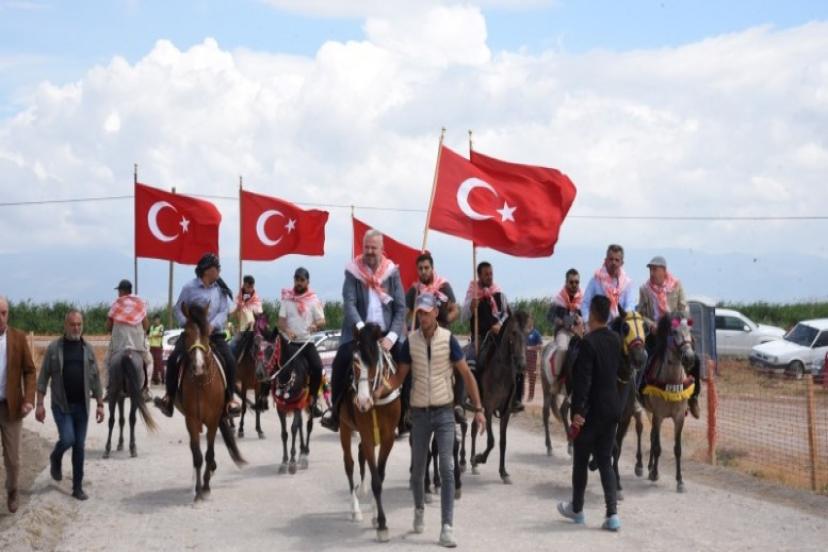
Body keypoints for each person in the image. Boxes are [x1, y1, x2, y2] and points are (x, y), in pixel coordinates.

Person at [377, 294, 486, 548]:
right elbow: (398, 377)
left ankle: (447, 526)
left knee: (447, 468)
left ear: (436, 313)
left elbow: (466, 375)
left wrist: (478, 408)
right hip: (419, 414)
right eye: (420, 312)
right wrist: (378, 393)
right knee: (417, 471)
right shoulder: (409, 343)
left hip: (445, 412)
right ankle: (418, 508)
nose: (423, 316)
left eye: (427, 312)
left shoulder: (449, 341)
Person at [321, 229, 406, 432]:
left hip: (386, 335)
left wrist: (393, 336)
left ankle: (407, 415)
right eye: (366, 247)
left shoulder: (392, 273)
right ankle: (335, 412)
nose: (369, 251)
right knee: (341, 361)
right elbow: (349, 303)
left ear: (382, 249)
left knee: (407, 362)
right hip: (358, 334)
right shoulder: (353, 271)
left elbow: (401, 308)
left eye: (373, 247)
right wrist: (361, 331)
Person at [557, 295, 629, 532]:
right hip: (612, 409)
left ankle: (577, 509)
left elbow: (583, 380)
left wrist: (577, 411)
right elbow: (622, 372)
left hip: (590, 412)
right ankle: (612, 514)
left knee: (580, 460)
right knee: (606, 461)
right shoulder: (617, 340)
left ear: (593, 314)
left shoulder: (588, 343)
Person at [155, 253, 240, 417]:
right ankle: (169, 398)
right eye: (217, 268)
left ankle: (230, 400)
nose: (219, 271)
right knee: (174, 358)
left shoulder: (221, 289)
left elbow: (224, 311)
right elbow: (178, 308)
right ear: (207, 270)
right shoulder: (189, 288)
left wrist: (212, 325)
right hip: (193, 334)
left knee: (230, 359)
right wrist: (188, 324)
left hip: (213, 334)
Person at [35, 310, 104, 501]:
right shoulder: (54, 348)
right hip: (61, 405)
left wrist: (100, 404)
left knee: (79, 447)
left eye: (79, 324)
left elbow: (96, 378)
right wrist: (39, 404)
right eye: (72, 324)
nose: (76, 328)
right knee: (67, 439)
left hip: (82, 406)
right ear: (65, 325)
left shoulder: (88, 349)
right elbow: (43, 378)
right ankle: (55, 457)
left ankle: (77, 487)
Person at [637, 255, 700, 418]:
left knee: (694, 358)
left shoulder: (677, 285)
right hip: (656, 333)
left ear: (664, 271)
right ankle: (639, 392)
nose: (652, 273)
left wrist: (676, 323)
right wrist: (651, 324)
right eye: (650, 269)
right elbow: (641, 313)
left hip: (676, 331)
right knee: (644, 357)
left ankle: (693, 397)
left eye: (655, 269)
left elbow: (684, 308)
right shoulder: (644, 289)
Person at [405, 252, 461, 422]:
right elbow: (406, 314)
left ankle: (458, 404)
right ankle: (407, 409)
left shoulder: (443, 286)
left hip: (442, 335)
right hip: (419, 338)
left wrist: (445, 320)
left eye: (426, 268)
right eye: (420, 268)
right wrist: (408, 330)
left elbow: (455, 310)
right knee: (404, 367)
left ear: (432, 268)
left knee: (460, 364)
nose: (423, 271)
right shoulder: (414, 291)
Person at [461, 262, 522, 412]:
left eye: (491, 274)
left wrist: (501, 326)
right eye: (486, 274)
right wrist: (471, 307)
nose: (489, 277)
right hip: (481, 336)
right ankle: (473, 397)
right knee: (472, 359)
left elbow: (508, 314)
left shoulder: (499, 294)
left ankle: (515, 399)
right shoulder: (473, 294)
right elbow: (463, 317)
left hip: (500, 335)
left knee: (518, 359)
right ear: (479, 276)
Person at [0, 296, 36, 513]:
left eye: (3, 312)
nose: (0, 317)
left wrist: (29, 399)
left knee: (13, 460)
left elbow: (30, 371)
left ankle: (13, 490)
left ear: (8, 314)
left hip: (10, 409)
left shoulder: (18, 339)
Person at [278, 267, 326, 417]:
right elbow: (280, 322)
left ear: (307, 282)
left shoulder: (313, 299)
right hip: (291, 343)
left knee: (317, 367)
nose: (298, 283)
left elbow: (322, 320)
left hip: (306, 343)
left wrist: (315, 325)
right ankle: (276, 396)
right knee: (277, 366)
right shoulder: (287, 298)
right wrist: (287, 331)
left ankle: (312, 399)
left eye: (302, 280)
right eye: (296, 279)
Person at [105, 279, 150, 401]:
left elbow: (108, 327)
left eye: (119, 290)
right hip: (137, 345)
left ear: (122, 291)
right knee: (149, 361)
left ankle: (109, 389)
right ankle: (146, 390)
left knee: (107, 361)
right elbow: (146, 326)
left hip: (119, 345)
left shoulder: (116, 304)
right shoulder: (140, 304)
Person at [581, 245, 636, 322]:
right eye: (611, 259)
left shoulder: (627, 283)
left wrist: (623, 320)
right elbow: (585, 304)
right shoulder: (596, 280)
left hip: (620, 327)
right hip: (599, 327)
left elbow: (630, 305)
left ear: (622, 263)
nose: (613, 263)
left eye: (617, 260)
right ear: (606, 261)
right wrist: (588, 322)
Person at [546, 268, 583, 351]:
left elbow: (588, 317)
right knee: (563, 349)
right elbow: (549, 316)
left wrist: (580, 319)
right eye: (571, 282)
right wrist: (560, 321)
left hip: (580, 331)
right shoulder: (558, 299)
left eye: (576, 282)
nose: (574, 284)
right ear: (566, 282)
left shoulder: (583, 300)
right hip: (563, 331)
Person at [229, 274, 262, 360]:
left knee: (262, 348)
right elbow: (234, 312)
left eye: (251, 287)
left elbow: (258, 312)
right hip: (241, 331)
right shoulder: (239, 297)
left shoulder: (256, 299)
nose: (249, 290)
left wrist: (253, 312)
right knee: (231, 347)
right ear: (243, 285)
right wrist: (233, 310)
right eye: (248, 287)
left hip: (253, 331)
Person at [524, 316, 542, 402]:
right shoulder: (524, 332)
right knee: (521, 377)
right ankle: (521, 395)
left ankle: (531, 396)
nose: (528, 322)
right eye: (527, 321)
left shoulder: (536, 333)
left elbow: (540, 346)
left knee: (532, 378)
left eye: (530, 320)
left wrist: (530, 348)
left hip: (532, 358)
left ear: (533, 322)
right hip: (523, 358)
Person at [148, 315, 165, 384]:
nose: (156, 321)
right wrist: (152, 335)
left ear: (159, 320)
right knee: (153, 363)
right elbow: (149, 334)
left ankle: (163, 378)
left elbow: (160, 334)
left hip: (158, 347)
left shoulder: (161, 327)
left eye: (157, 320)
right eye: (155, 320)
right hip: (151, 347)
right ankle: (155, 379)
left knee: (159, 363)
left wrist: (152, 335)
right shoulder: (152, 327)